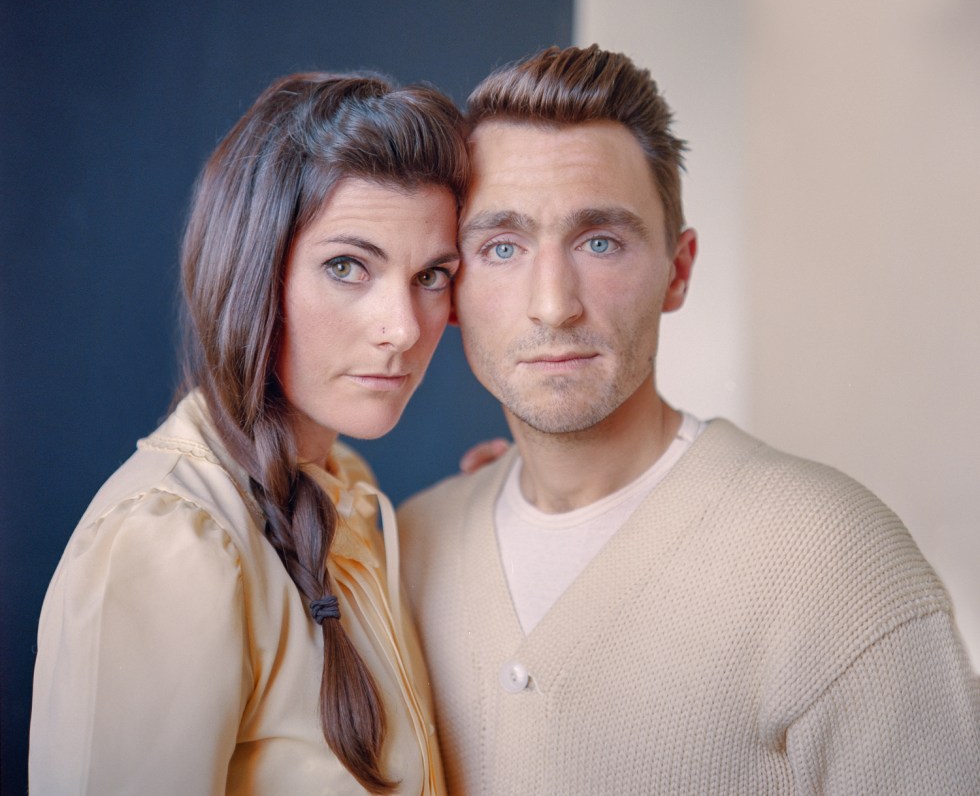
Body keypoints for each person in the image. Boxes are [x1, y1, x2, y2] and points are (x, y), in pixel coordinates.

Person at [398, 44, 980, 794]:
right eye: (502, 246)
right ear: (450, 287)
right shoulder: (408, 547)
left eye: (600, 242)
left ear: (678, 270)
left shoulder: (838, 563)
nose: (553, 303)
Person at [29, 71, 469, 795]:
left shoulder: (350, 490)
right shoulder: (168, 540)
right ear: (252, 272)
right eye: (347, 266)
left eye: (431, 276)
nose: (403, 329)